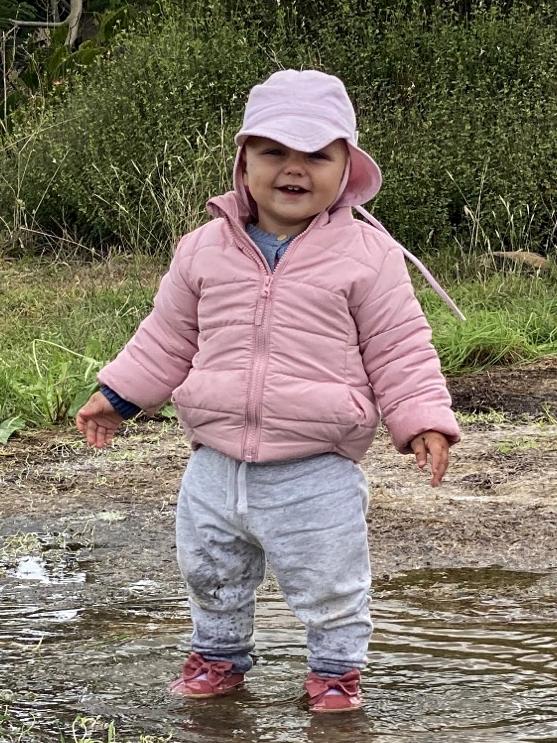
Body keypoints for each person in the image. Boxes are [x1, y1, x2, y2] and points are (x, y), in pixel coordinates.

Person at [76, 69, 462, 714]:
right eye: (274, 151)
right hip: (214, 463)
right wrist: (117, 395)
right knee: (211, 573)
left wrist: (422, 418)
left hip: (316, 468)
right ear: (243, 161)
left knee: (330, 582)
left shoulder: (367, 255)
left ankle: (335, 675)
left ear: (347, 168)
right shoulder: (203, 249)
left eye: (317, 154)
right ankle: (217, 659)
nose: (294, 168)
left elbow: (399, 345)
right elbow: (167, 336)